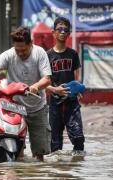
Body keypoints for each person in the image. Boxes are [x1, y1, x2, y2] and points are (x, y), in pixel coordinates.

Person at [0, 27, 52, 161]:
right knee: (16, 151)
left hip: (37, 107)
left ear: (30, 44)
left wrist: (35, 87)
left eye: (23, 50)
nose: (20, 53)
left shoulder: (40, 53)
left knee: (39, 154)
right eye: (17, 50)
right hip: (15, 108)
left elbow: (47, 79)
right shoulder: (9, 55)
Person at [46, 17, 85, 154]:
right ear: (54, 32)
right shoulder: (47, 56)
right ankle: (58, 172)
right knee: (55, 142)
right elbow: (44, 81)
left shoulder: (73, 54)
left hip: (72, 101)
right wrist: (54, 89)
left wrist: (78, 88)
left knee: (78, 137)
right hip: (55, 103)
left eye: (65, 30)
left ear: (69, 34)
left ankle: (76, 167)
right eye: (59, 29)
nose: (62, 32)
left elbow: (77, 76)